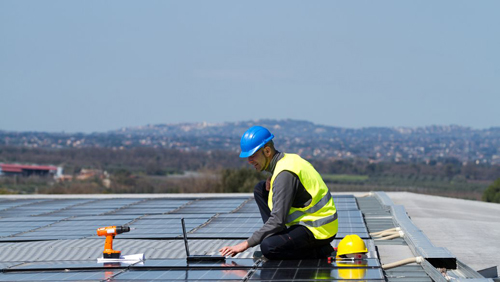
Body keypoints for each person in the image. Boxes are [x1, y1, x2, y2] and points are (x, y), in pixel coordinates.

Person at [219, 126, 338, 259]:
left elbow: (277, 220)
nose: (249, 161)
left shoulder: (284, 174)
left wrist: (246, 244)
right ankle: (277, 236)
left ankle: (322, 251)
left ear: (267, 151)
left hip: (319, 230)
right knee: (260, 189)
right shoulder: (286, 161)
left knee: (269, 247)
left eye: (252, 156)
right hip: (308, 225)